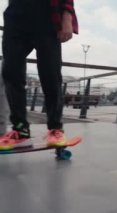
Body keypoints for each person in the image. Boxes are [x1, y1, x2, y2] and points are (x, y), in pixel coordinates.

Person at [0, 0, 78, 150]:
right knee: (11, 72)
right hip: (15, 17)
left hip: (47, 15)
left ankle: (55, 129)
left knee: (51, 74)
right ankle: (20, 130)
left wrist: (67, 17)